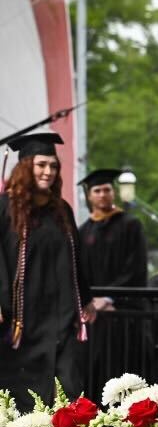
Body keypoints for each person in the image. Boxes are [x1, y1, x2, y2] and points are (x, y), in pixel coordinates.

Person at [0, 133, 95, 410]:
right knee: (22, 398)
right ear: (26, 166)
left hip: (61, 320)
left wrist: (86, 299)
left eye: (53, 166)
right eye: (41, 165)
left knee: (67, 392)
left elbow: (77, 258)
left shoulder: (61, 210)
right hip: (21, 323)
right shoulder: (6, 208)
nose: (48, 172)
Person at [77, 169, 147, 311]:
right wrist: (90, 299)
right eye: (97, 191)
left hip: (125, 307)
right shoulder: (83, 231)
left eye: (107, 190)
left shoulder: (131, 225)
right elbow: (80, 271)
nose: (102, 195)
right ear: (89, 196)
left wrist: (109, 298)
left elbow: (136, 267)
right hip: (93, 307)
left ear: (113, 193)